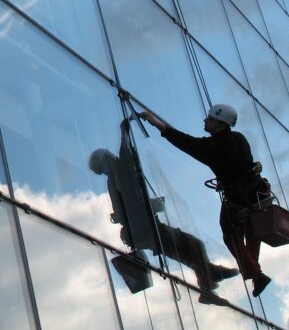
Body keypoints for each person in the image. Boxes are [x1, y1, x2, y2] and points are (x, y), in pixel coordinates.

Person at [89, 120, 238, 305]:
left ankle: (210, 275)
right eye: (110, 157)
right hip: (146, 228)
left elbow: (130, 204)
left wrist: (151, 205)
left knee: (190, 250)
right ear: (107, 160)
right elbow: (126, 161)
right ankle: (208, 284)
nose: (114, 158)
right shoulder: (119, 174)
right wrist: (124, 133)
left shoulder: (115, 180)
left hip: (145, 228)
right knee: (194, 246)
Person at [138, 104, 273, 298]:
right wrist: (227, 180)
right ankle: (255, 274)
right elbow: (238, 165)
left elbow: (185, 142)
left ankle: (256, 275)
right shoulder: (239, 138)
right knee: (252, 237)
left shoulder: (213, 147)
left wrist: (157, 123)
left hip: (238, 201)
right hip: (256, 195)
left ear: (219, 125)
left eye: (209, 119)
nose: (205, 120)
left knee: (231, 236)